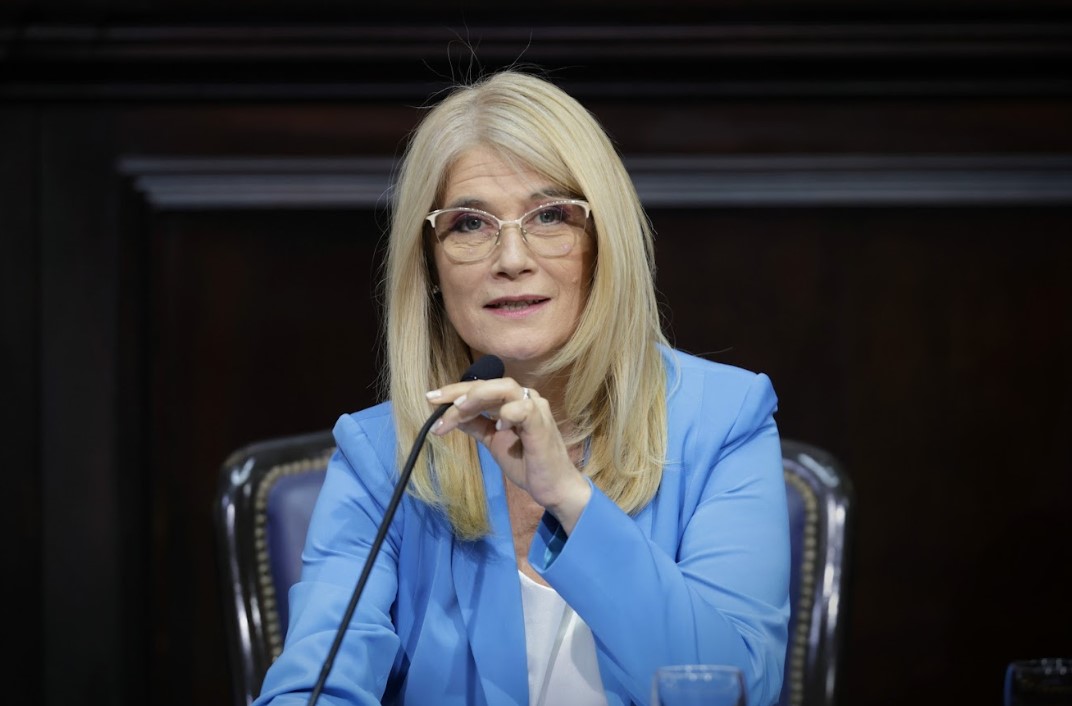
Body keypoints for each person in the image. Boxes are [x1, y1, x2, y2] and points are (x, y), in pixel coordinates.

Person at [253, 69, 790, 706]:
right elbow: (316, 687)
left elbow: (730, 690)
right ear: (429, 264)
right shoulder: (384, 453)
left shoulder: (723, 420)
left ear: (603, 245)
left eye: (551, 216)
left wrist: (568, 496)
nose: (511, 259)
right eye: (470, 225)